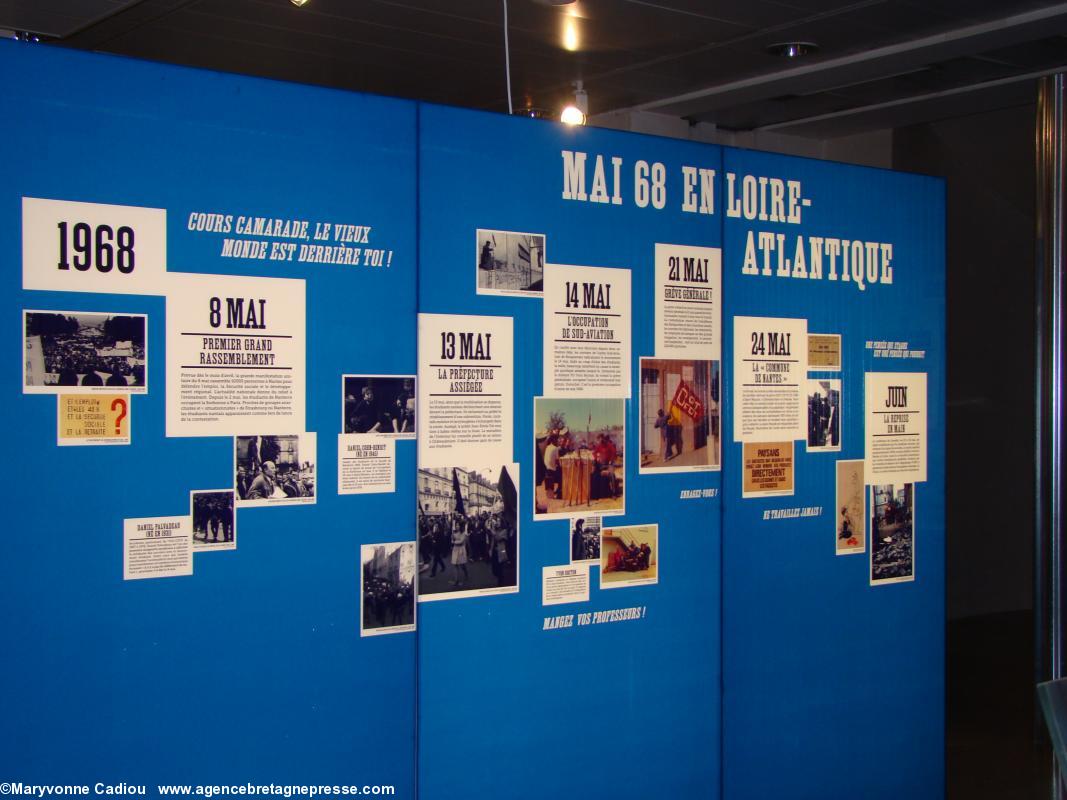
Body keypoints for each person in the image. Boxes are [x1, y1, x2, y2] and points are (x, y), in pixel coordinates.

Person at [450, 514, 469, 587]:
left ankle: (466, 574)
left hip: (461, 550)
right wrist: (452, 537)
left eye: (458, 525)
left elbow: (461, 541)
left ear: (461, 526)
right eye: (456, 525)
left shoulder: (464, 533)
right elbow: (453, 539)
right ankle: (456, 580)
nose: (457, 526)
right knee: (455, 565)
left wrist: (453, 542)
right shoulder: (454, 532)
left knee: (462, 565)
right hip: (455, 550)